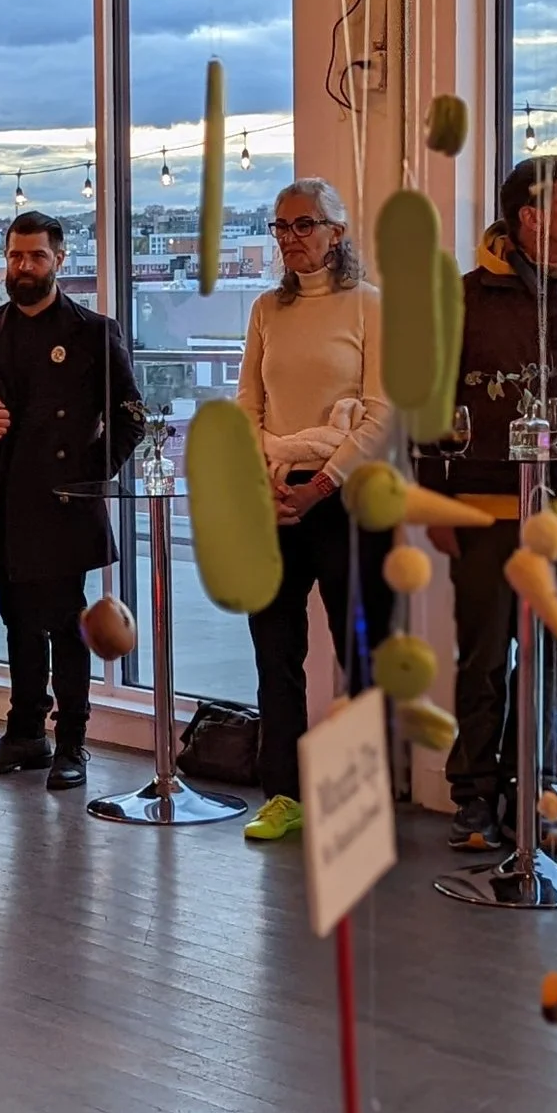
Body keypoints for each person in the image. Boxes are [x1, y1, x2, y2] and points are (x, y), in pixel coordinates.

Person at [419, 155, 557, 851]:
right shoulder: (460, 300)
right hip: (483, 507)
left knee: (552, 661)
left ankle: (534, 792)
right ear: (530, 216)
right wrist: (433, 500)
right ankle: (473, 797)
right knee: (483, 659)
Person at [0, 211, 143, 790]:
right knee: (17, 619)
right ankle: (25, 733)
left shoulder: (93, 332)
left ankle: (71, 742)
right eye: (16, 256)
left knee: (65, 622)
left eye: (37, 256)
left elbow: (130, 416)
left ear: (60, 260)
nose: (24, 267)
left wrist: (88, 475)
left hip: (61, 506)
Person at [235, 179, 394, 842]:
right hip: (275, 496)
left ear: (337, 233)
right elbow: (249, 406)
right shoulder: (267, 310)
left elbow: (383, 412)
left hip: (348, 497)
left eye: (305, 224)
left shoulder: (371, 306)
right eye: (281, 226)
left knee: (362, 652)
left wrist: (321, 484)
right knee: (275, 652)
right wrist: (265, 484)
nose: (291, 238)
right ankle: (284, 794)